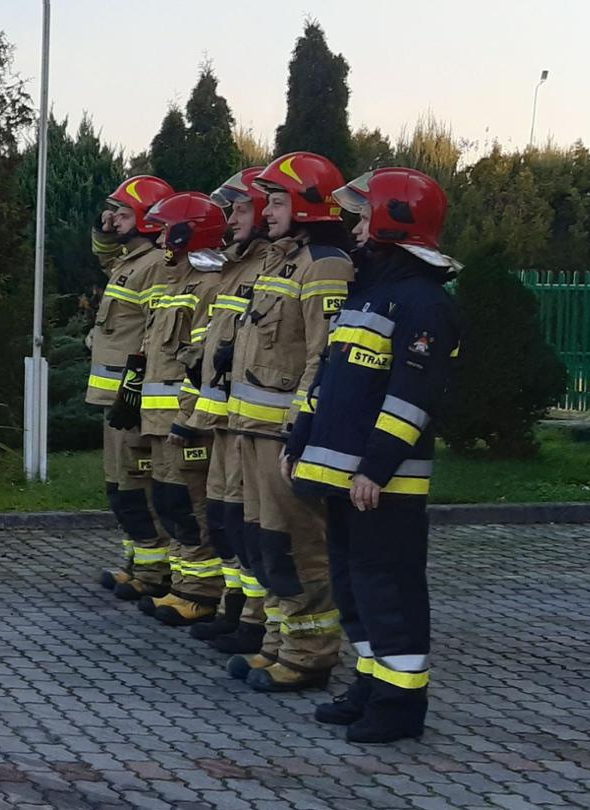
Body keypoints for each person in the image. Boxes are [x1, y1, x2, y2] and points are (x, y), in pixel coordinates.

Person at [290, 167, 461, 743]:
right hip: (344, 478)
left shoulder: (422, 302)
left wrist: (376, 469)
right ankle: (370, 683)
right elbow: (328, 383)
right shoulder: (369, 294)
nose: (354, 227)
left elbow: (411, 398)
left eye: (364, 215)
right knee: (355, 589)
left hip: (382, 484)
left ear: (393, 220)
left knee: (391, 593)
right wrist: (300, 442)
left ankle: (399, 707)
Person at [222, 151, 354, 693]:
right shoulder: (279, 260)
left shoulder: (325, 264)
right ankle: (278, 641)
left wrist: (305, 432)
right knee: (263, 544)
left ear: (305, 204)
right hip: (251, 430)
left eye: (276, 200)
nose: (265, 209)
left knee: (298, 546)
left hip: (285, 435)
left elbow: (324, 359)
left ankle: (310, 654)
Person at [182, 168, 277, 641]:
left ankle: (255, 621)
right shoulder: (232, 267)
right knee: (224, 520)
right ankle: (234, 610)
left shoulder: (270, 267)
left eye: (241, 209)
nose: (231, 219)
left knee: (249, 523)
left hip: (256, 424)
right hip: (225, 417)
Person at [131, 192, 231, 623]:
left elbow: (202, 361)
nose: (160, 239)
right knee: (171, 501)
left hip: (183, 418)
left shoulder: (209, 285)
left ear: (189, 232)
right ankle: (181, 581)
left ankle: (200, 593)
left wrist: (192, 419)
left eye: (167, 230)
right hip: (157, 419)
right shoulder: (174, 283)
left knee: (191, 504)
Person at [90, 176, 176, 598]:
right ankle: (137, 560)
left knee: (137, 486)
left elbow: (154, 334)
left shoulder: (156, 263)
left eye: (123, 215)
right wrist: (105, 230)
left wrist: (132, 394)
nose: (115, 221)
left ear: (146, 218)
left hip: (131, 400)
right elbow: (105, 257)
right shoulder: (131, 261)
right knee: (119, 485)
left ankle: (154, 570)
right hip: (114, 399)